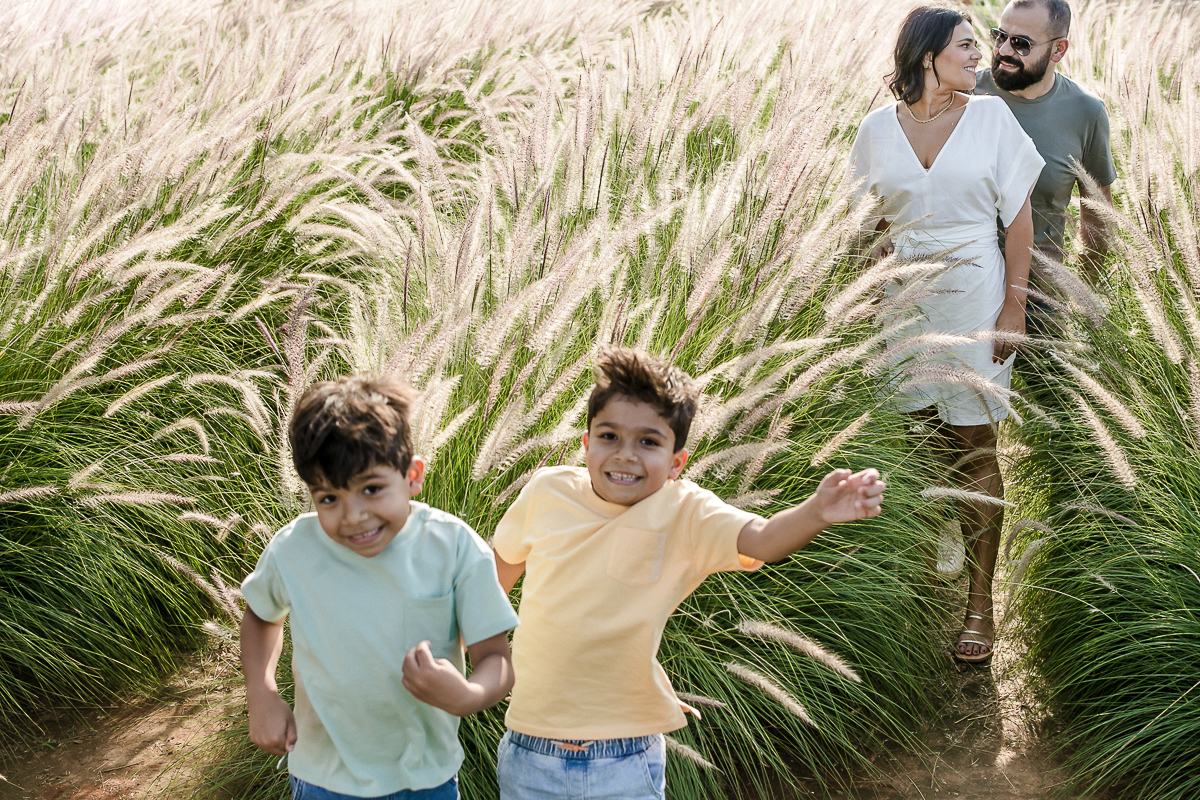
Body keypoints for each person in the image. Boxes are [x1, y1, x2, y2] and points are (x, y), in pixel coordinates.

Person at [490, 346, 885, 800]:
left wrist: (816, 511)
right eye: (609, 436)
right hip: (529, 749)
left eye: (648, 442)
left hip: (625, 757)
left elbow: (762, 538)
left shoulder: (686, 511)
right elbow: (495, 580)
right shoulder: (548, 491)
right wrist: (465, 653)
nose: (625, 455)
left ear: (677, 462)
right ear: (586, 443)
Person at [845, 5, 1044, 665]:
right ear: (928, 54)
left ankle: (980, 603)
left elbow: (1019, 222)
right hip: (904, 303)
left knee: (976, 440)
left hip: (976, 297)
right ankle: (949, 520)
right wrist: (866, 282)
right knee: (922, 436)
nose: (980, 56)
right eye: (965, 45)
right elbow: (869, 222)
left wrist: (1014, 306)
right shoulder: (877, 129)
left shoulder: (991, 118)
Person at [240, 374, 519, 800]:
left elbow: (496, 659)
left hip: (425, 780)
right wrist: (261, 693)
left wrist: (468, 695)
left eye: (371, 489)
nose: (353, 516)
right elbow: (261, 617)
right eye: (329, 498)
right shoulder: (294, 549)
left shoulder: (453, 547)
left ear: (412, 476)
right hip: (323, 778)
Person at [975, 0, 1117, 290]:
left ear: (1058, 50)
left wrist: (1084, 295)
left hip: (1040, 299)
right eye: (1000, 36)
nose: (1003, 50)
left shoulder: (1086, 112)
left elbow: (1097, 217)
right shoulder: (964, 92)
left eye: (1021, 43)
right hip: (961, 290)